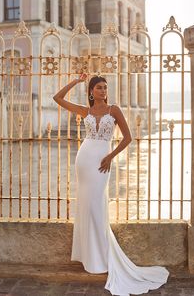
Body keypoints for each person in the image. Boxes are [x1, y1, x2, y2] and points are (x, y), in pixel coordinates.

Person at [53, 74, 169, 296]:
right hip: (85, 159)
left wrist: (111, 156)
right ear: (91, 91)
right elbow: (57, 97)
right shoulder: (85, 111)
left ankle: (102, 257)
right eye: (99, 87)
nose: (103, 91)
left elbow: (127, 137)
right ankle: (89, 257)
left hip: (102, 160)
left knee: (97, 207)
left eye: (105, 87)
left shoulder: (113, 110)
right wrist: (76, 81)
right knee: (86, 207)